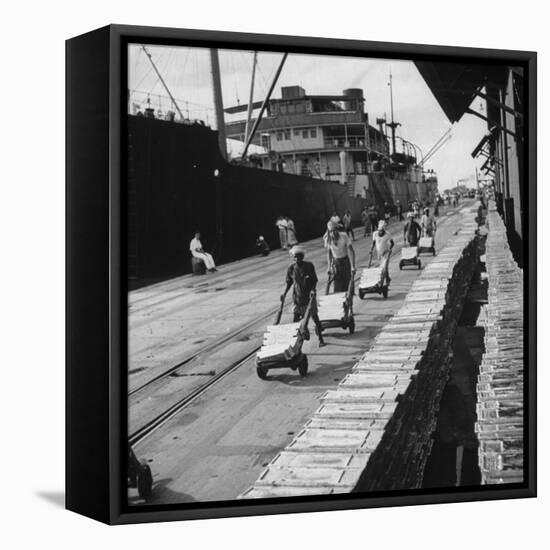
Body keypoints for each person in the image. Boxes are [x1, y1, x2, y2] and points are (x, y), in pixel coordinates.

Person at [282, 246, 325, 346]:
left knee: (315, 319)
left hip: (309, 298)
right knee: (295, 322)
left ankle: (321, 340)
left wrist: (313, 290)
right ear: (293, 258)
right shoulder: (291, 268)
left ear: (303, 256)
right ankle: (294, 344)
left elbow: (314, 280)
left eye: (299, 257)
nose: (297, 259)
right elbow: (289, 283)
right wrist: (284, 294)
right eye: (295, 257)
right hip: (297, 298)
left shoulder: (309, 266)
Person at [324, 221, 356, 293]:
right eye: (331, 231)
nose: (333, 233)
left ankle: (348, 299)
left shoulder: (344, 236)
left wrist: (353, 266)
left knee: (348, 283)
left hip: (345, 261)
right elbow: (329, 254)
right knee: (337, 284)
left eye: (335, 230)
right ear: (329, 232)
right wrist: (329, 267)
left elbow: (351, 251)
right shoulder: (328, 239)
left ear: (337, 230)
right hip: (336, 263)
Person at [370, 220, 394, 286]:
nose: (380, 232)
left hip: (386, 253)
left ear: (384, 230)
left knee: (385, 267)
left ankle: (384, 281)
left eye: (382, 231)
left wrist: (389, 249)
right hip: (379, 254)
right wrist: (371, 249)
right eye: (379, 231)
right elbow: (373, 243)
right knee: (381, 268)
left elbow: (392, 243)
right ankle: (388, 278)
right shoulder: (375, 234)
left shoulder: (387, 234)